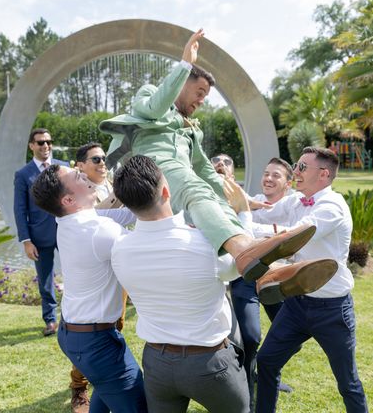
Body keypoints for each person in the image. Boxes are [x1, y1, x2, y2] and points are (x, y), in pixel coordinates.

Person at [100, 29, 335, 292]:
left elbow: (203, 168)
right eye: (199, 92)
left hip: (179, 177)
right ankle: (246, 252)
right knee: (195, 188)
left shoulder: (191, 128)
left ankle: (269, 275)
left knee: (217, 202)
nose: (201, 100)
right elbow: (153, 108)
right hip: (152, 170)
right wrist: (185, 63)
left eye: (205, 96)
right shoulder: (151, 94)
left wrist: (241, 200)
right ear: (183, 82)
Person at [110, 155, 249, 412]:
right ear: (166, 191)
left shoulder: (120, 248)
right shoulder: (204, 244)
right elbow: (245, 264)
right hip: (210, 362)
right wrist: (243, 215)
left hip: (157, 362)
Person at [256, 147, 368, 413]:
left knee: (347, 382)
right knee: (267, 361)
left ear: (324, 173)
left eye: (302, 167)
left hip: (332, 310)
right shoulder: (296, 200)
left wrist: (254, 231)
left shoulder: (332, 206)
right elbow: (262, 210)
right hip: (297, 304)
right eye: (297, 165)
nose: (295, 172)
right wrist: (232, 204)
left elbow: (294, 236)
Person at [31, 164, 147, 412]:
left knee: (104, 393)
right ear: (69, 198)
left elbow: (124, 214)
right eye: (77, 176)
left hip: (74, 334)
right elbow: (147, 248)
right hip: (96, 342)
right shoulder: (99, 230)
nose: (84, 174)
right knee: (139, 406)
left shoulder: (64, 218)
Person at [14, 128, 90, 412]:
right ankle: (50, 319)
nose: (46, 146)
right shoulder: (23, 174)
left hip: (68, 231)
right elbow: (19, 208)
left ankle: (73, 313)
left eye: (49, 142)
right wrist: (25, 240)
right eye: (40, 142)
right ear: (31, 145)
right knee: (44, 279)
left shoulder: (63, 170)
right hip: (41, 237)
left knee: (76, 274)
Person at [211, 154, 295, 409]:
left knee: (293, 335)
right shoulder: (250, 202)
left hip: (277, 279)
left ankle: (266, 370)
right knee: (249, 336)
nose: (268, 178)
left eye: (276, 175)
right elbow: (237, 231)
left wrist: (259, 236)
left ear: (288, 183)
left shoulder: (293, 206)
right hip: (247, 280)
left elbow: (292, 240)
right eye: (266, 173)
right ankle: (247, 389)